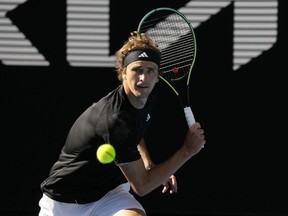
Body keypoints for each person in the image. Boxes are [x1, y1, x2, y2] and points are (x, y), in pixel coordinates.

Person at [38, 31, 206, 216]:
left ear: (158, 76)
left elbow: (135, 132)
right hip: (65, 203)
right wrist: (187, 151)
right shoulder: (114, 120)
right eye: (137, 70)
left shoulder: (144, 97)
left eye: (150, 71)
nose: (143, 78)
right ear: (123, 73)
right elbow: (142, 186)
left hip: (109, 193)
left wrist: (149, 164)